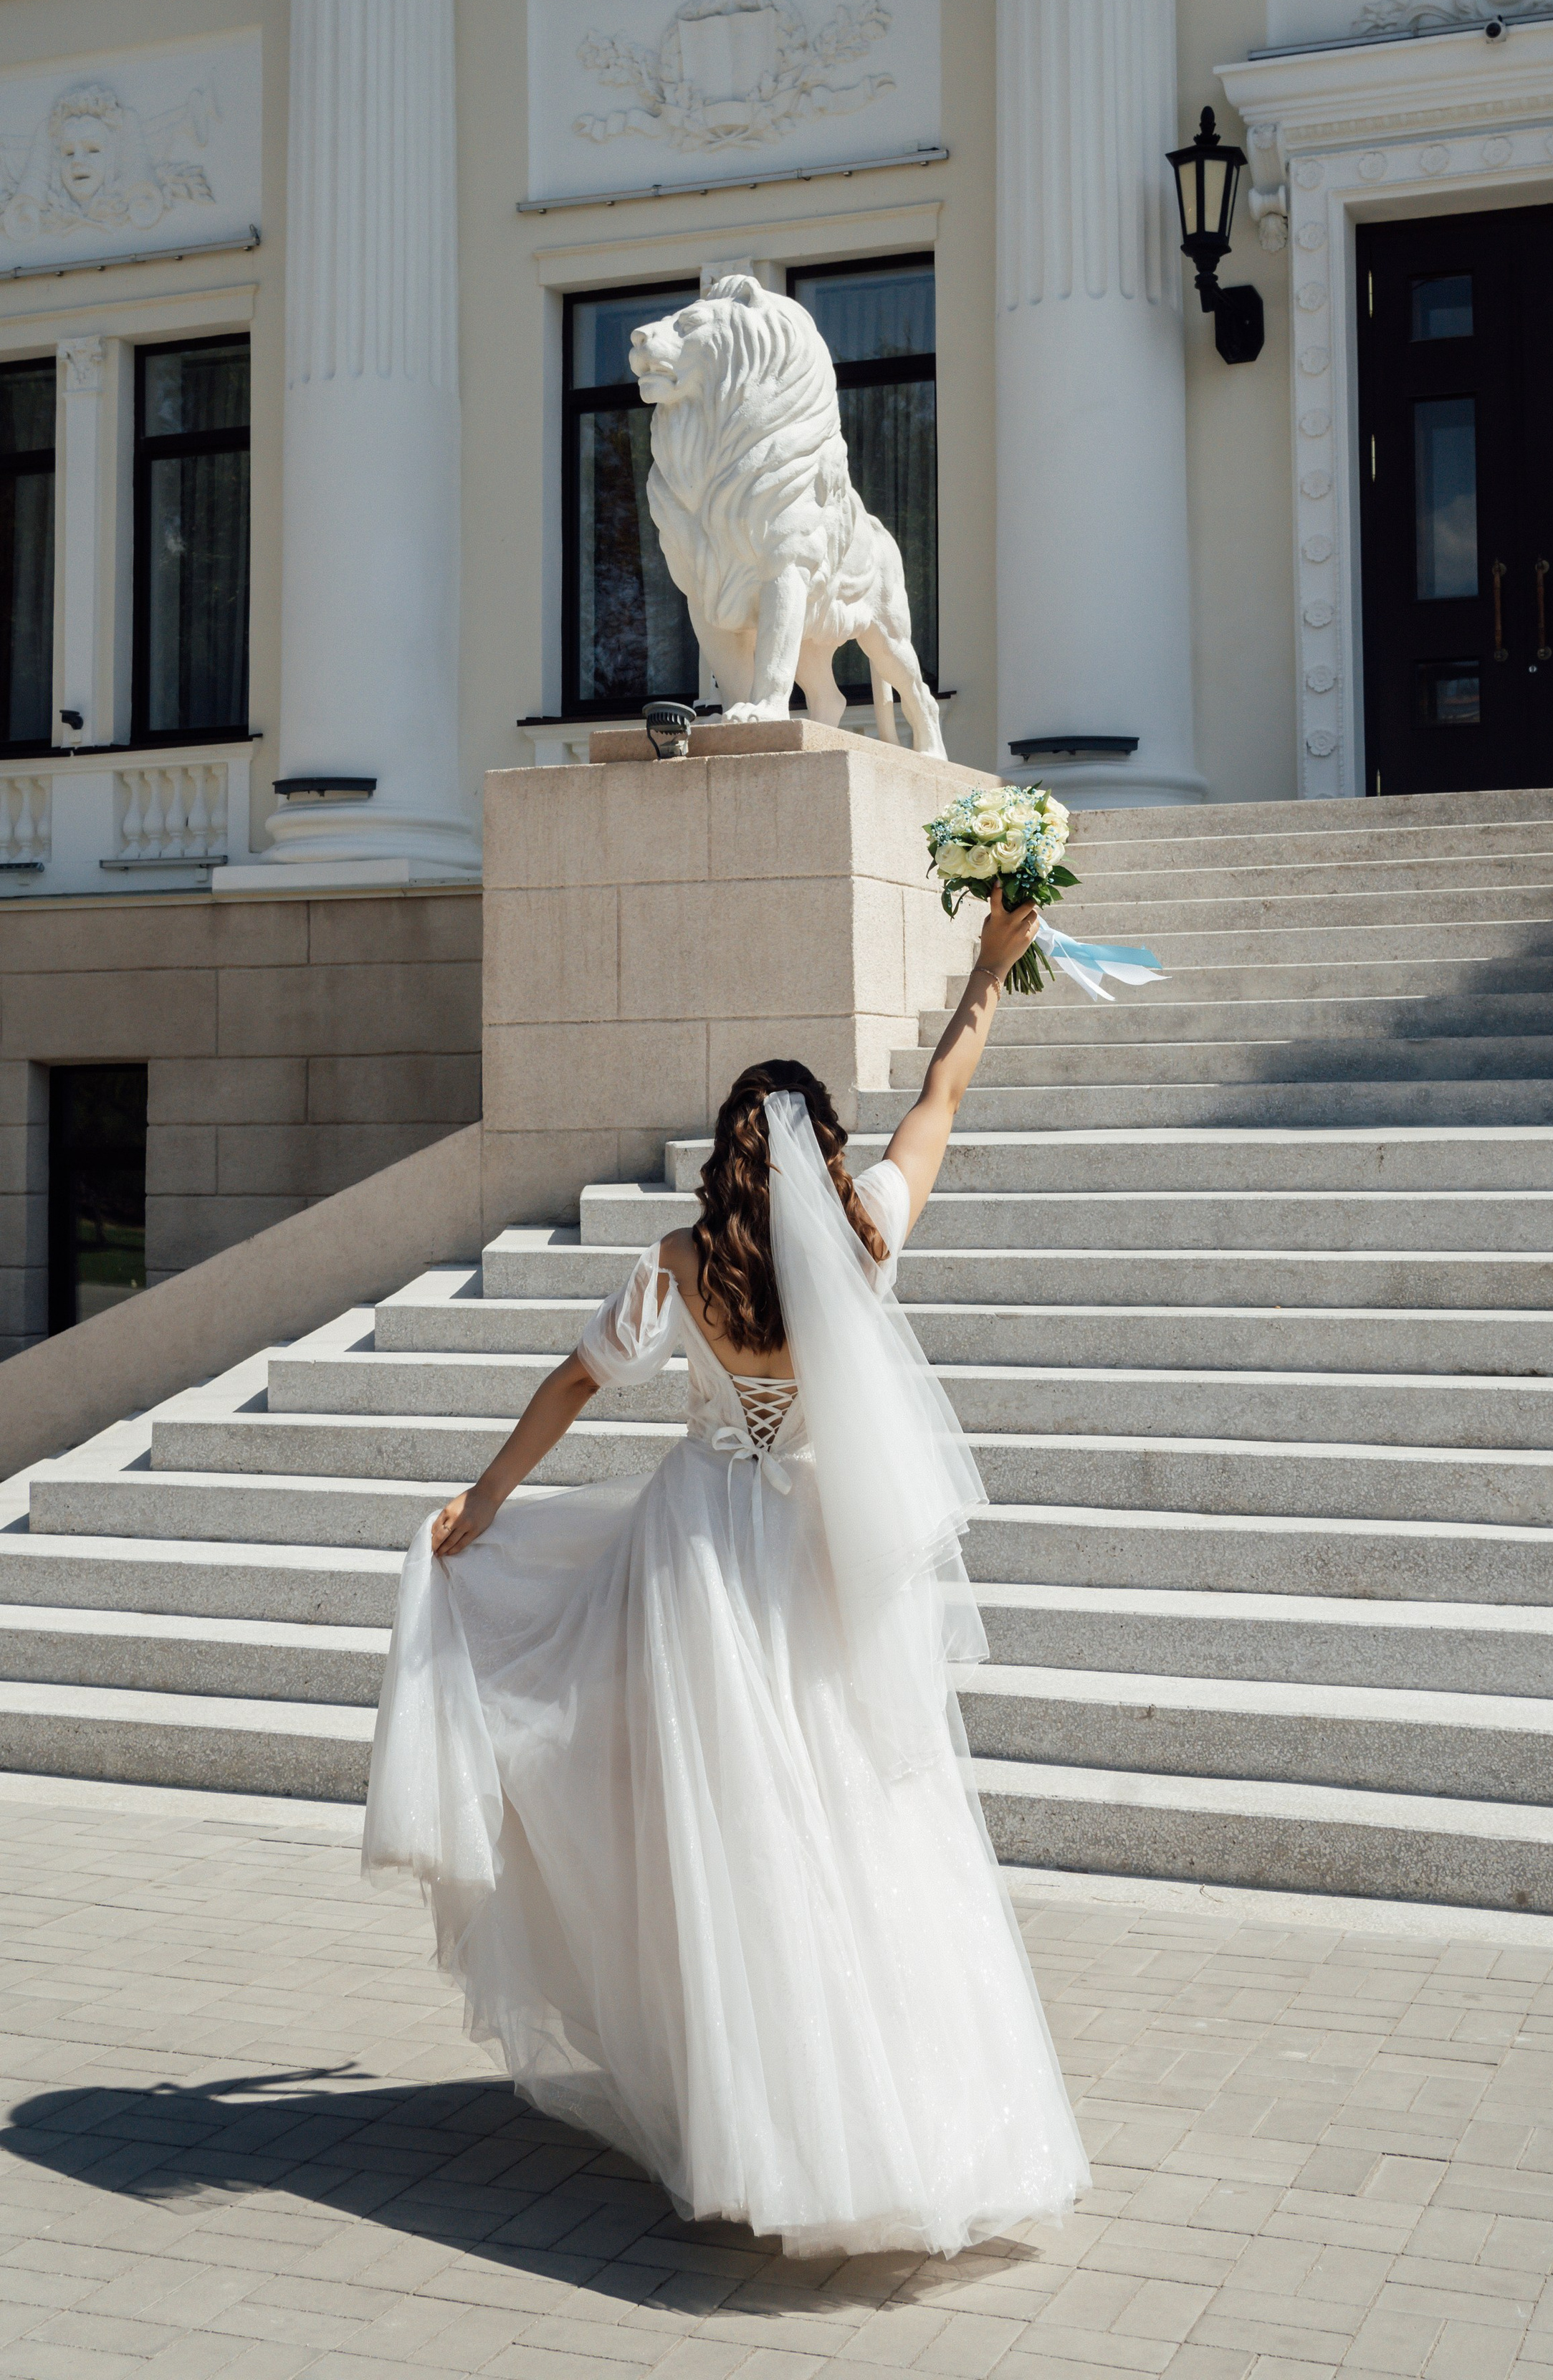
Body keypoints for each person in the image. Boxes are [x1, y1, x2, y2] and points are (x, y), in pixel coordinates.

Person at [362, 891, 1090, 2258]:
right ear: (825, 1157)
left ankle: (753, 2112)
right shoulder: (868, 1232)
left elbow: (575, 1382)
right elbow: (943, 1088)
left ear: (725, 1160)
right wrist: (991, 965)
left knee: (718, 1835)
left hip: (697, 1552)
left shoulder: (683, 1266)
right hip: (813, 1557)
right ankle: (877, 2115)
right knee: (856, 1818)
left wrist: (488, 1499)